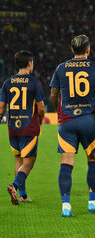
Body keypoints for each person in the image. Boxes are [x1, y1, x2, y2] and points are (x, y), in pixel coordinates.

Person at [50, 35, 95, 217]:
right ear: (88, 49)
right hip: (88, 121)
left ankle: (66, 206)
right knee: (93, 160)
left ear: (71, 49)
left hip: (67, 121)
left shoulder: (61, 68)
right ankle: (92, 202)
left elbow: (53, 94)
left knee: (66, 163)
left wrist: (58, 111)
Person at [0, 50, 45, 205]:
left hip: (13, 128)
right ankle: (14, 185)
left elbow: (1, 108)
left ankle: (23, 195)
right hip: (29, 127)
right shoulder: (34, 83)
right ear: (29, 63)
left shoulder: (7, 83)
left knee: (18, 160)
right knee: (29, 162)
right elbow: (41, 109)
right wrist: (38, 121)